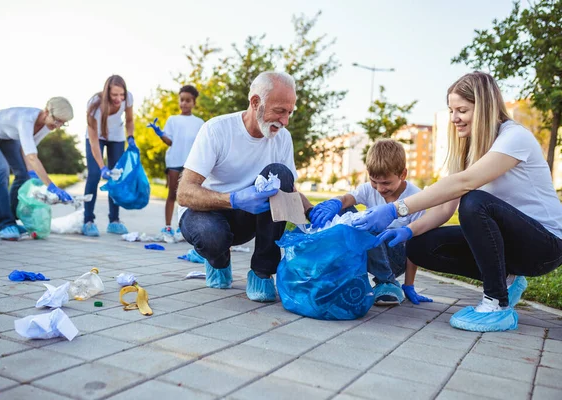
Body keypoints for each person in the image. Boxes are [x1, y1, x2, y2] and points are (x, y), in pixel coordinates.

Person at [358, 71, 562, 332]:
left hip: (544, 245)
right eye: (451, 110)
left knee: (475, 202)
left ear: (485, 107)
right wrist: (409, 230)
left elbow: (464, 184)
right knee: (420, 247)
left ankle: (496, 304)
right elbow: (444, 207)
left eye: (462, 110)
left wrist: (396, 208)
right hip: (511, 243)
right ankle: (507, 280)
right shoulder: (470, 150)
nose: (454, 118)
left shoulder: (514, 138)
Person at [177, 71, 312, 302]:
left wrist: (314, 212)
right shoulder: (217, 130)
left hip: (248, 216)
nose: (285, 120)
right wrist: (233, 199)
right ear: (255, 102)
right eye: (280, 111)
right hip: (206, 213)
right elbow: (184, 192)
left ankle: (262, 272)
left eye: (290, 112)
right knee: (212, 236)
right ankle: (219, 260)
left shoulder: (283, 137)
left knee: (281, 172)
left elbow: (289, 191)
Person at [309, 139, 433, 306]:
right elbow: (347, 199)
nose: (380, 189)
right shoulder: (368, 189)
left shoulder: (416, 198)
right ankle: (335, 272)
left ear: (403, 174)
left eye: (386, 183)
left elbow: (415, 244)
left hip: (396, 258)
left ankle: (387, 282)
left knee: (370, 222)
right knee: (344, 211)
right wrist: (336, 202)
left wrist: (409, 285)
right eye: (375, 181)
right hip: (370, 250)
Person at [0, 97, 74, 240]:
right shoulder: (26, 119)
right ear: (46, 111)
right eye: (57, 120)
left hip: (6, 137)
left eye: (62, 123)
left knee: (23, 174)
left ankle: (11, 220)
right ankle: (4, 224)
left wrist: (31, 172)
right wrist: (51, 186)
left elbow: (28, 150)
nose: (58, 126)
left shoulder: (46, 126)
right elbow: (32, 157)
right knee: (1, 170)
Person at [146, 85, 205, 243]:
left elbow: (202, 145)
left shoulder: (199, 122)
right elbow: (169, 141)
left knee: (187, 197)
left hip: (191, 165)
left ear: (194, 102)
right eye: (182, 100)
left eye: (188, 100)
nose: (184, 103)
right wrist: (160, 134)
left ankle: (184, 228)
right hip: (174, 161)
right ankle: (167, 227)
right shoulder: (173, 120)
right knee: (172, 194)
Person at [82, 75, 135, 237]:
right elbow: (93, 141)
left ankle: (114, 221)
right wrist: (101, 166)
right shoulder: (94, 105)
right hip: (96, 138)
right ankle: (88, 220)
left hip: (117, 138)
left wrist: (131, 137)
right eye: (114, 95)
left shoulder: (128, 98)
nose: (119, 99)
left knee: (116, 177)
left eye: (122, 95)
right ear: (107, 93)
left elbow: (130, 119)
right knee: (94, 175)